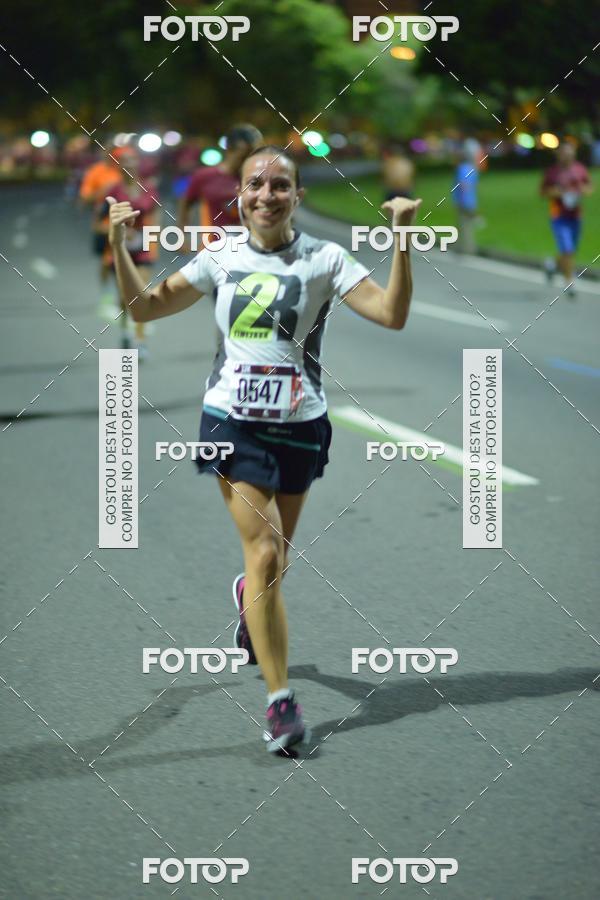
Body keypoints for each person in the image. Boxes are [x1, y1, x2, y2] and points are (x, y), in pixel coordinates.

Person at [108, 145, 421, 754]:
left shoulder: (326, 258)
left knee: (277, 562)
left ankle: (249, 605)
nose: (267, 194)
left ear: (297, 196)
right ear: (241, 196)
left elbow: (391, 314)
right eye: (256, 184)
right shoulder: (218, 257)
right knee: (268, 554)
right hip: (233, 423)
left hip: (302, 424)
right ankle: (281, 704)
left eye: (281, 185)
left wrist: (402, 240)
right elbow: (145, 304)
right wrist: (121, 248)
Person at [104, 147, 160, 357]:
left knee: (142, 295)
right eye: (124, 161)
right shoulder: (113, 190)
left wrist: (154, 240)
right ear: (118, 166)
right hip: (120, 249)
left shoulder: (149, 188)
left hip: (143, 249)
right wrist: (119, 231)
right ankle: (126, 330)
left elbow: (155, 215)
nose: (128, 164)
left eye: (132, 160)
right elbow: (102, 217)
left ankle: (140, 340)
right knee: (124, 297)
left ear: (138, 164)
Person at [177, 123, 262, 241]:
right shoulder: (204, 176)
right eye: (243, 156)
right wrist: (182, 233)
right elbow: (186, 202)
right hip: (213, 247)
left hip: (250, 247)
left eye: (252, 156)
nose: (247, 161)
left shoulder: (258, 179)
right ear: (229, 150)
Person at [541, 141, 593, 298]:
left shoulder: (579, 170)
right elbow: (543, 191)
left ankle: (552, 265)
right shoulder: (552, 172)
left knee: (569, 251)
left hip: (575, 216)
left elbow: (589, 187)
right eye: (564, 153)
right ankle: (569, 282)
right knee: (568, 249)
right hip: (558, 215)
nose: (567, 156)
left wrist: (582, 190)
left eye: (570, 153)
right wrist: (557, 193)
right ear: (559, 155)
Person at [79, 149, 123, 318]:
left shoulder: (128, 171)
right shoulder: (96, 172)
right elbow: (86, 198)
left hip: (128, 226)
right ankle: (106, 293)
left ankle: (125, 298)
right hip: (105, 225)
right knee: (107, 263)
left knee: (125, 262)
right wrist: (104, 191)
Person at [453, 141, 480, 255]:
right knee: (467, 224)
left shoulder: (462, 168)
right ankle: (464, 246)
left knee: (464, 225)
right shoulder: (472, 169)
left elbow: (463, 185)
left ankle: (466, 248)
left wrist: (462, 200)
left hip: (463, 200)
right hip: (471, 200)